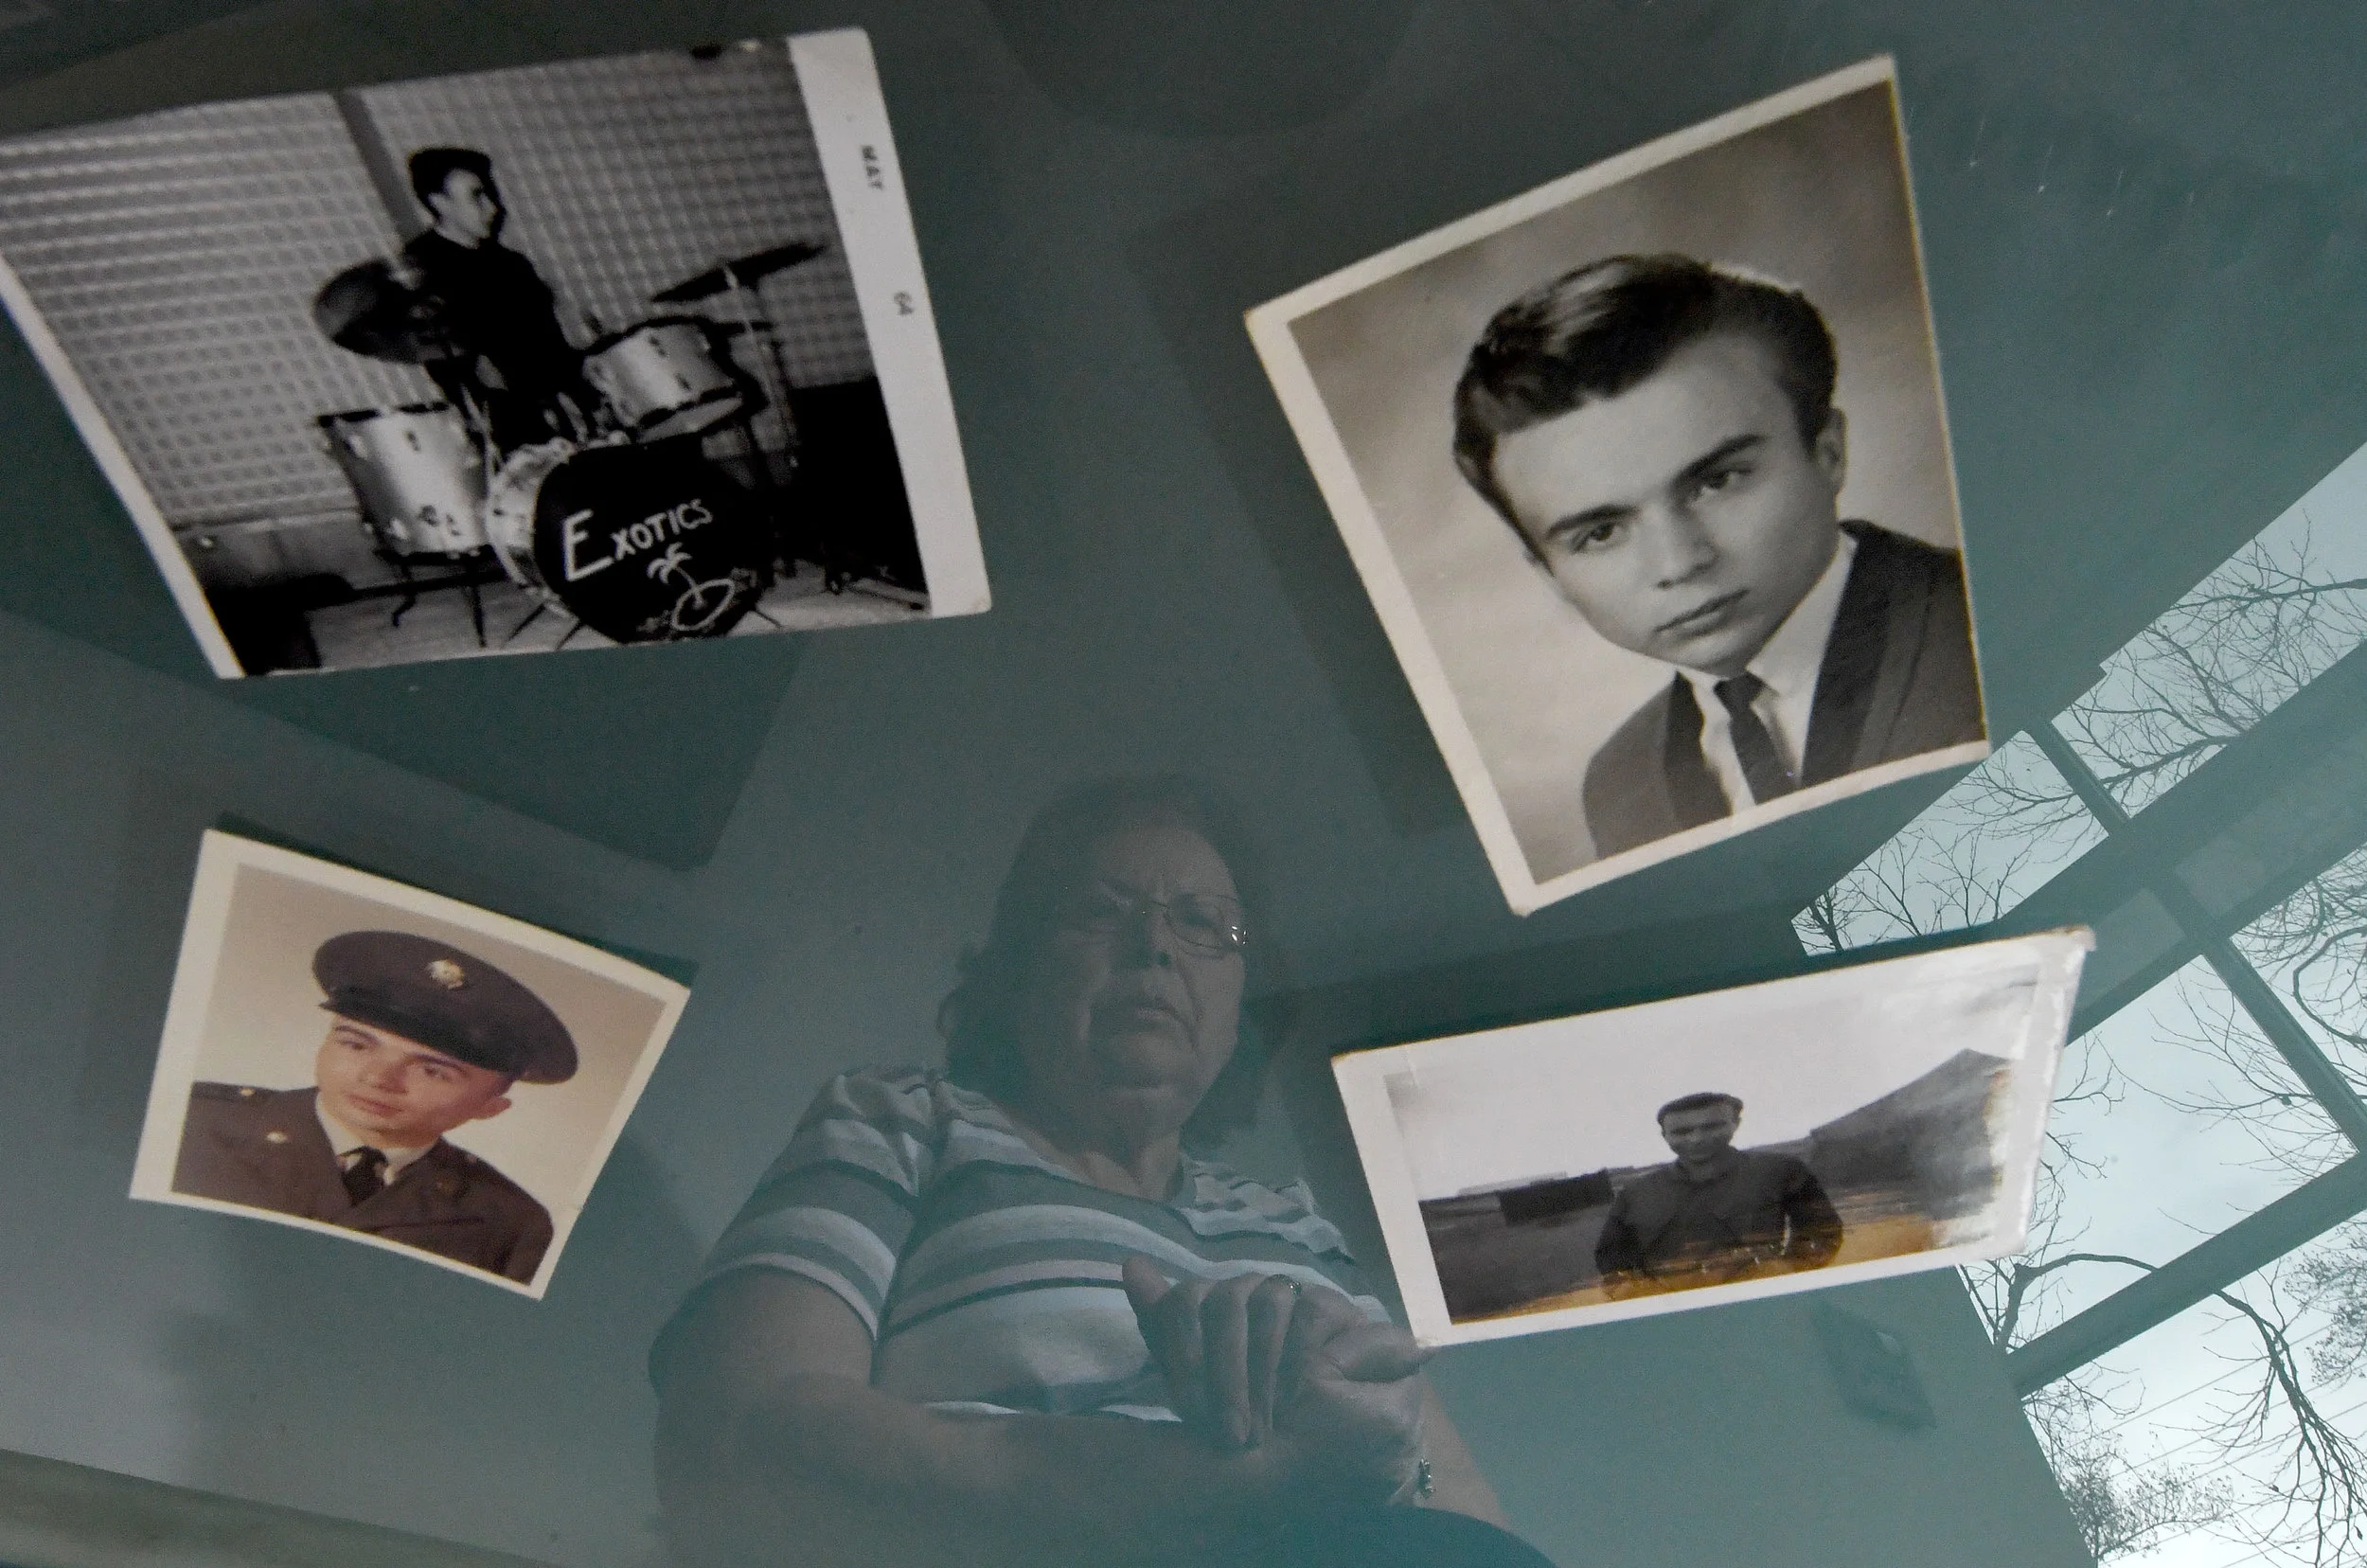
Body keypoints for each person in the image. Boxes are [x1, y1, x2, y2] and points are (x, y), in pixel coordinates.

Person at [650, 777, 1554, 1568]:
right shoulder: (900, 1123)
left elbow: (1465, 1520)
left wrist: (1385, 1449)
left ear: (1238, 1008)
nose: (1154, 947)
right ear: (1015, 972)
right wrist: (1217, 1487)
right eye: (1098, 911)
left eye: (1203, 924)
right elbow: (738, 1438)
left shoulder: (1294, 1226)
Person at [1451, 253, 1984, 859]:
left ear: (1829, 453)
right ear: (1549, 575)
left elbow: (2069, 862)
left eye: (1718, 481)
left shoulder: (2001, 620)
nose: (1679, 562)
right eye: (1600, 533)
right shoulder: (1620, 784)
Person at [171, 929, 574, 1285]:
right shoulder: (190, 1119)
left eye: (432, 1071)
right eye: (356, 1044)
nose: (378, 1079)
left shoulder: (510, 1223)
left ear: (490, 1107)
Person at [399, 146, 596, 451]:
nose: (492, 208)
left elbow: (552, 342)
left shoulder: (512, 263)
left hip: (565, 410)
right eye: (476, 197)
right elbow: (454, 367)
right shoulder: (420, 271)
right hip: (508, 428)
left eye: (489, 194)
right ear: (440, 203)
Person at [1593, 1091, 1843, 1296]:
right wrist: (1640, 1294)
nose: (1697, 1139)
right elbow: (1611, 1257)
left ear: (1735, 1124)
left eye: (1712, 1127)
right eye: (1682, 1132)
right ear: (1665, 1136)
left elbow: (1822, 1230)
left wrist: (1789, 1270)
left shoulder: (1779, 1171)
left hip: (1763, 1298)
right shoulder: (1637, 1193)